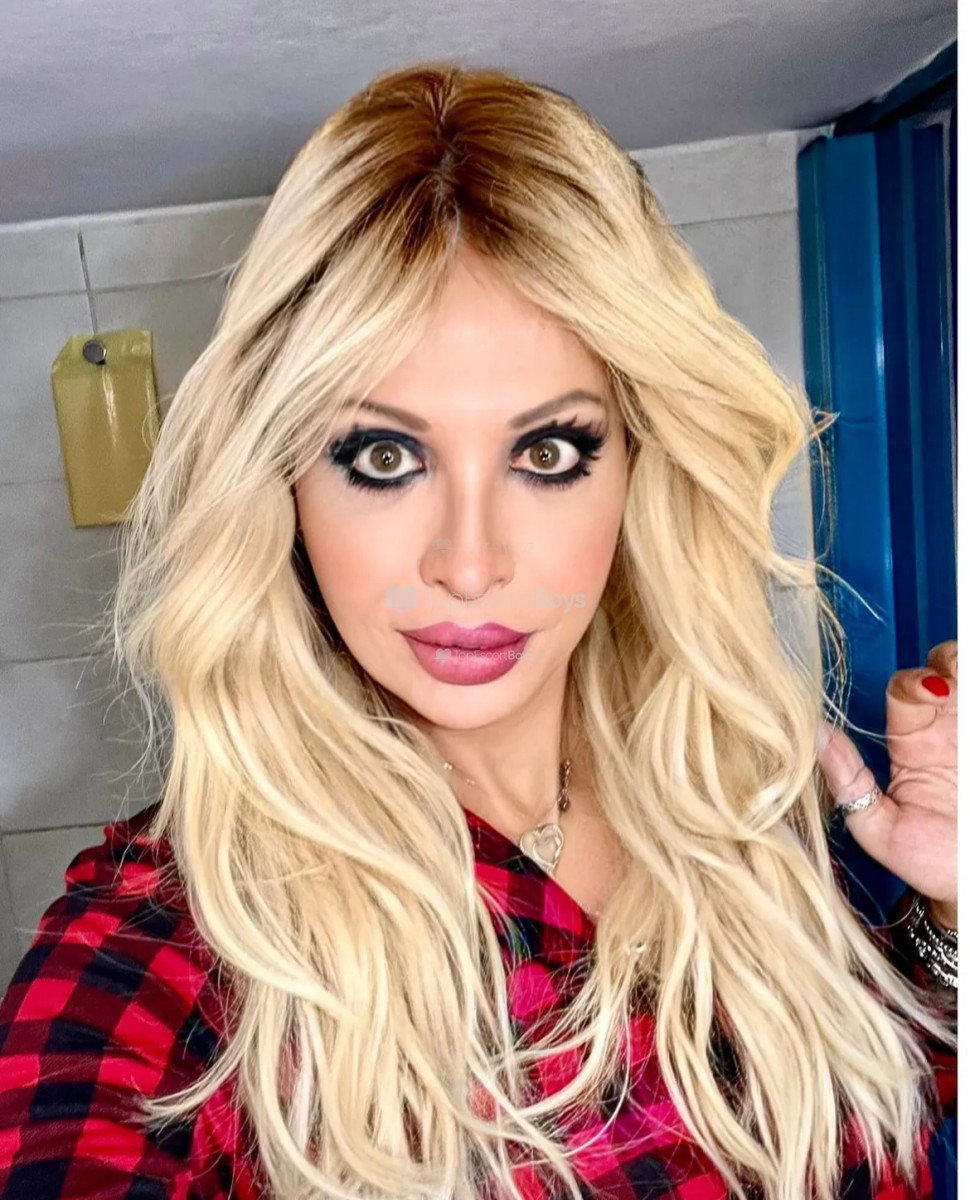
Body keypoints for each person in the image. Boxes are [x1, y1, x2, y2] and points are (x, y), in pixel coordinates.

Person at [0, 61, 956, 1200]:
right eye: (382, 456)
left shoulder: (718, 790)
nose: (467, 564)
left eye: (547, 452)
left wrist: (947, 916)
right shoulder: (176, 935)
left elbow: (847, 1109)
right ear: (283, 484)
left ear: (638, 467)